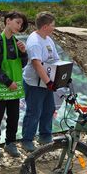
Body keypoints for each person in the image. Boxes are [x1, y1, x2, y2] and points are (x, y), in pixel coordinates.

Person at [0, 11, 28, 158]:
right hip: (1, 86)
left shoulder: (17, 42)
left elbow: (22, 65)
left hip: (14, 86)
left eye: (21, 24)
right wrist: (7, 81)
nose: (19, 26)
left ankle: (10, 142)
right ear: (7, 21)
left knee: (14, 116)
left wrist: (23, 53)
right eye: (17, 22)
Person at [20, 11, 60, 151]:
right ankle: (27, 139)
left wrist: (60, 76)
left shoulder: (48, 39)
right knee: (34, 111)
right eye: (52, 25)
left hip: (46, 81)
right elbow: (37, 64)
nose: (54, 28)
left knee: (49, 109)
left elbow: (55, 59)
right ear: (45, 27)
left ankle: (45, 135)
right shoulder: (35, 42)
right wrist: (48, 82)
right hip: (35, 83)